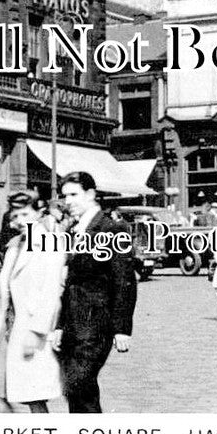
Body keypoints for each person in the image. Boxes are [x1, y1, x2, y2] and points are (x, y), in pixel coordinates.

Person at [50, 171, 137, 413]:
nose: (67, 201)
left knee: (80, 384)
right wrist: (59, 325)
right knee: (76, 391)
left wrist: (122, 328)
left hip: (97, 325)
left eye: (73, 195)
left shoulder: (111, 229)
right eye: (64, 196)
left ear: (90, 194)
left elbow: (124, 281)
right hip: (73, 326)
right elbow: (70, 285)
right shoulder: (73, 232)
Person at [0, 192, 67, 414]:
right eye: (16, 215)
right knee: (1, 389)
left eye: (25, 214)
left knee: (34, 396)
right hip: (13, 326)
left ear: (39, 213)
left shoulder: (48, 241)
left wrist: (38, 331)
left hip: (34, 328)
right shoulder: (16, 244)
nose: (19, 221)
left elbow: (52, 290)